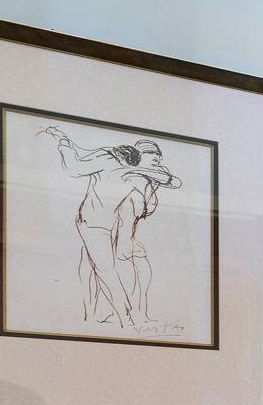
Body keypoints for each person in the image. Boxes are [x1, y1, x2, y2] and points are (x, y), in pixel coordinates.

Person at [39, 126, 180, 333]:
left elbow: (173, 181)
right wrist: (63, 142)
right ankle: (125, 318)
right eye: (151, 155)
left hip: (109, 225)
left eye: (157, 156)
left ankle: (101, 317)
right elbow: (76, 165)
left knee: (96, 267)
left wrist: (139, 170)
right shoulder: (110, 161)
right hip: (91, 224)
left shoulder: (144, 172)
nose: (156, 159)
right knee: (104, 270)